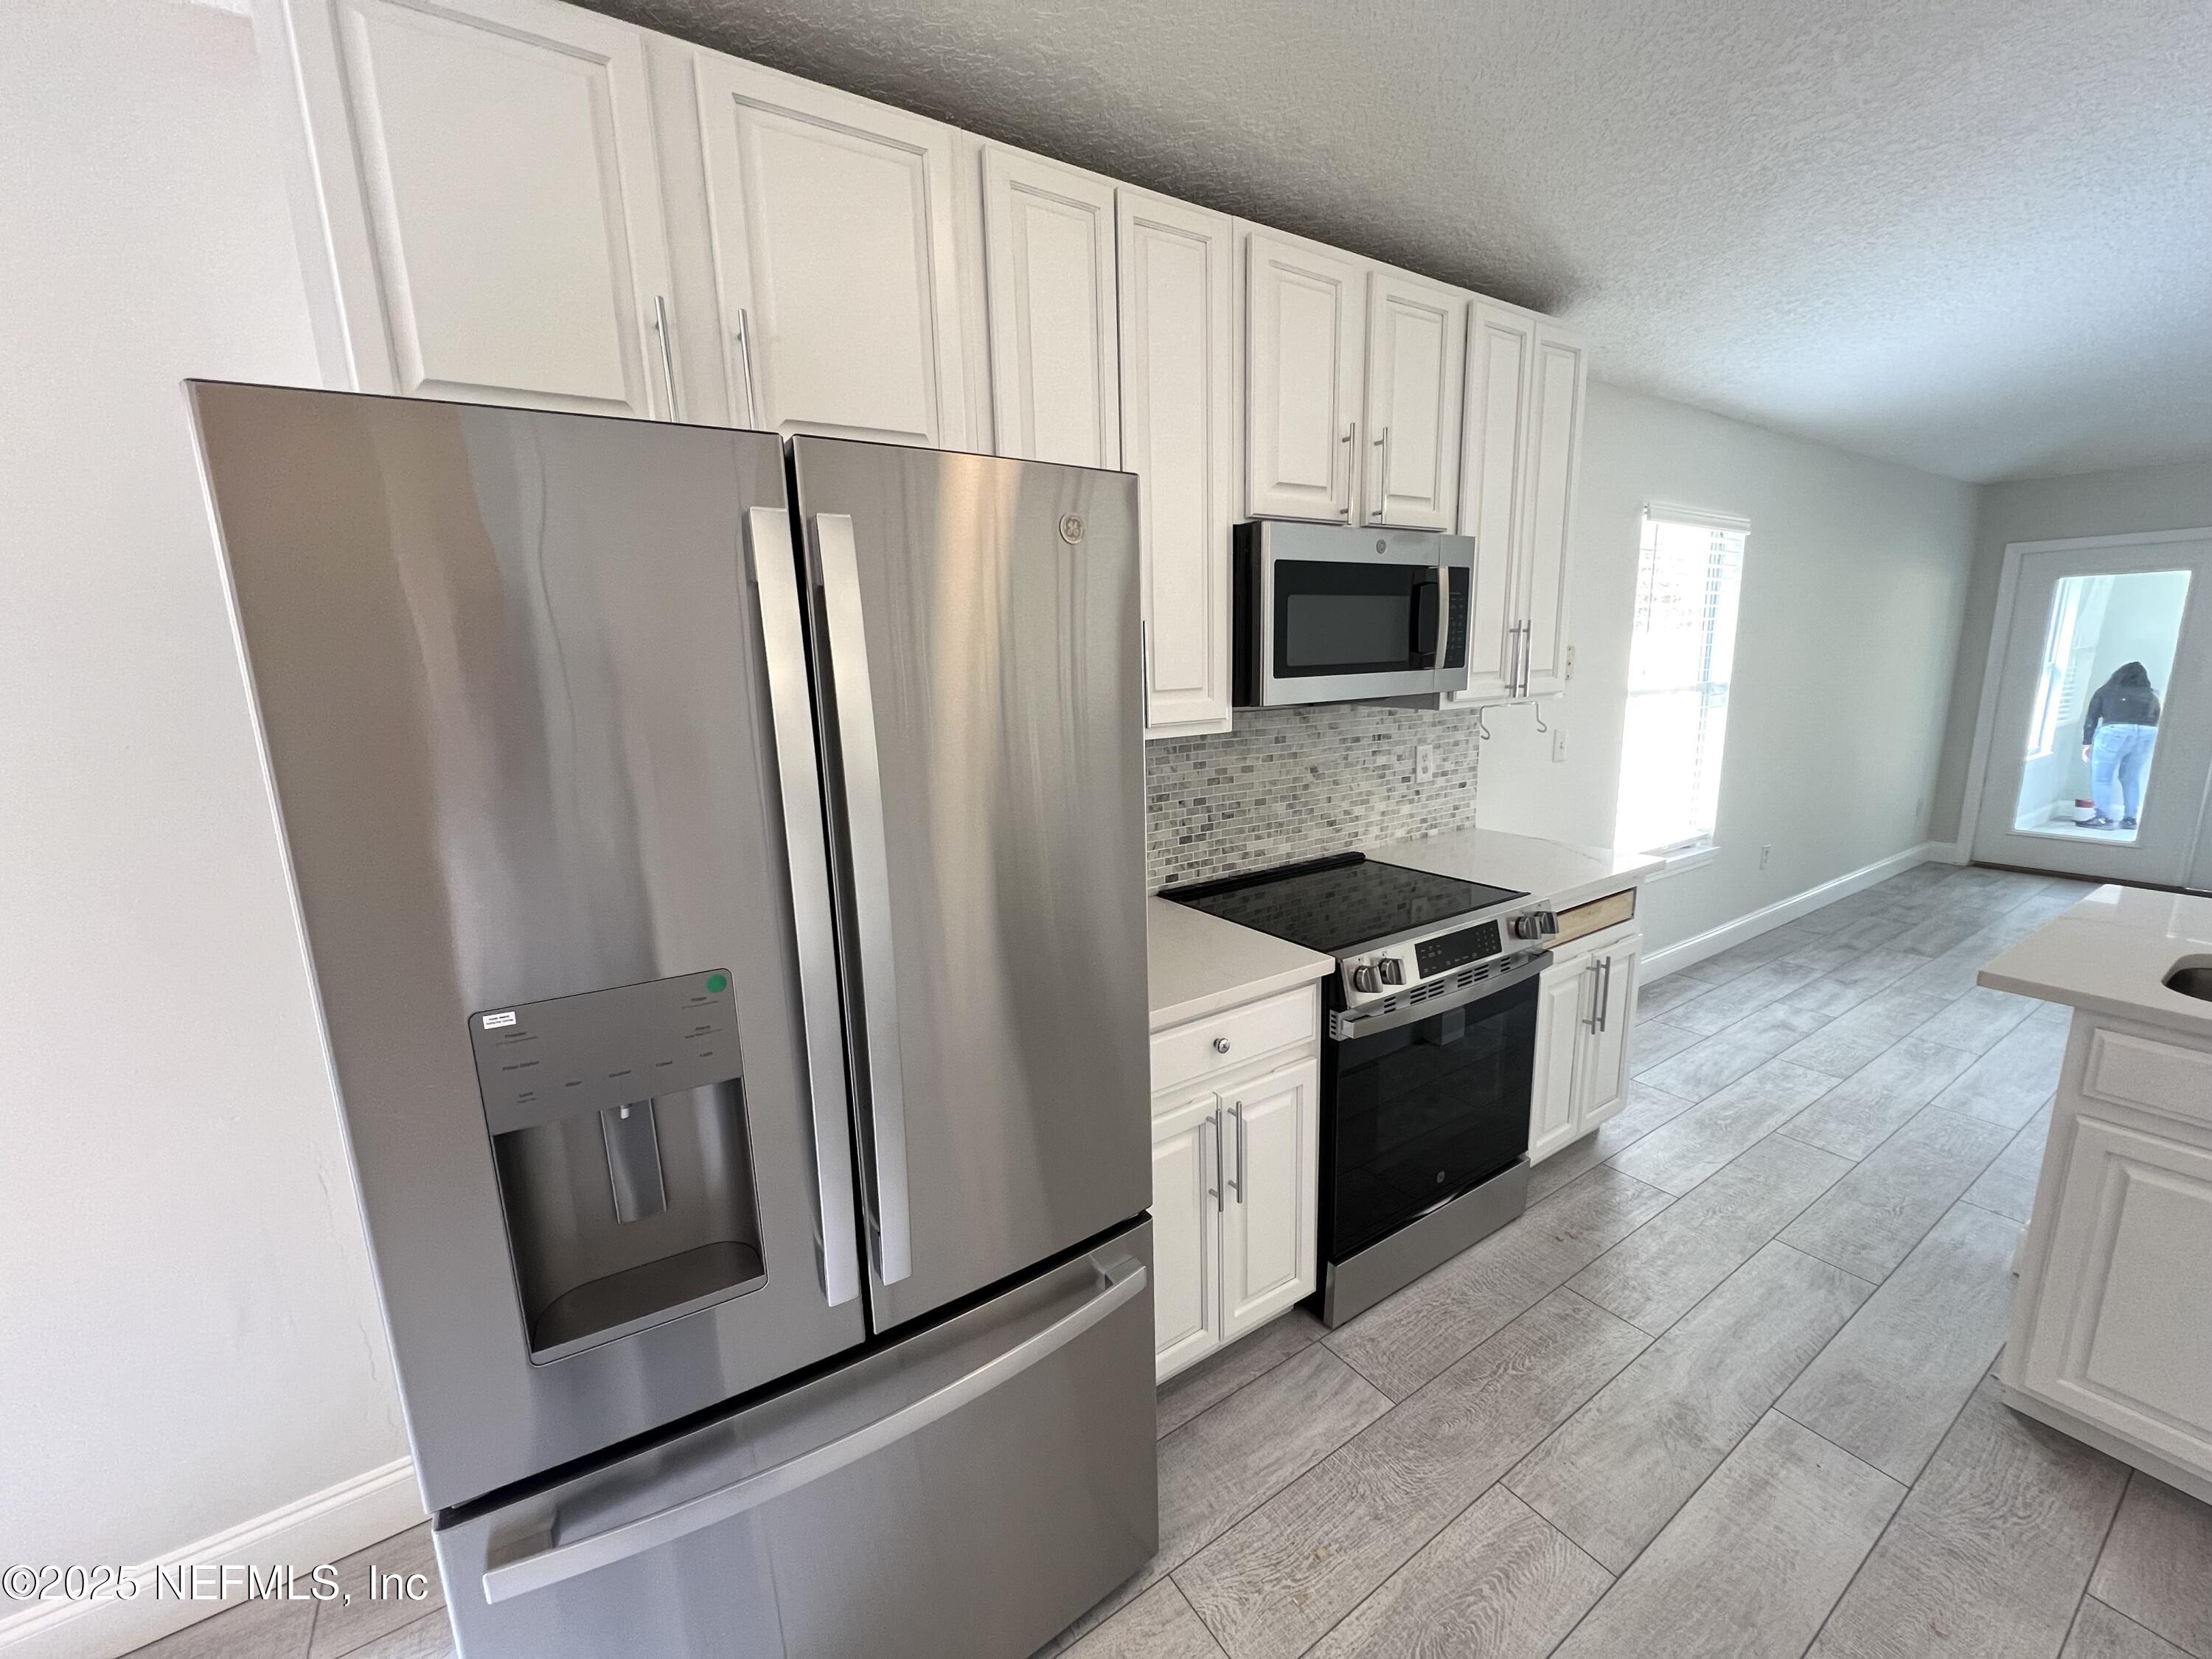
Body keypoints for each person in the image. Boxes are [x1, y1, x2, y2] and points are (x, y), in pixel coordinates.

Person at [2079, 661, 2161, 830]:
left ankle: (2102, 818)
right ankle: (2130, 819)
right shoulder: (2151, 696)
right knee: (2131, 777)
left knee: (2102, 777)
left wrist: (2087, 743)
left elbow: (2092, 718)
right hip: (2148, 733)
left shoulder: (2106, 691)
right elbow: (2156, 718)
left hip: (2115, 731)